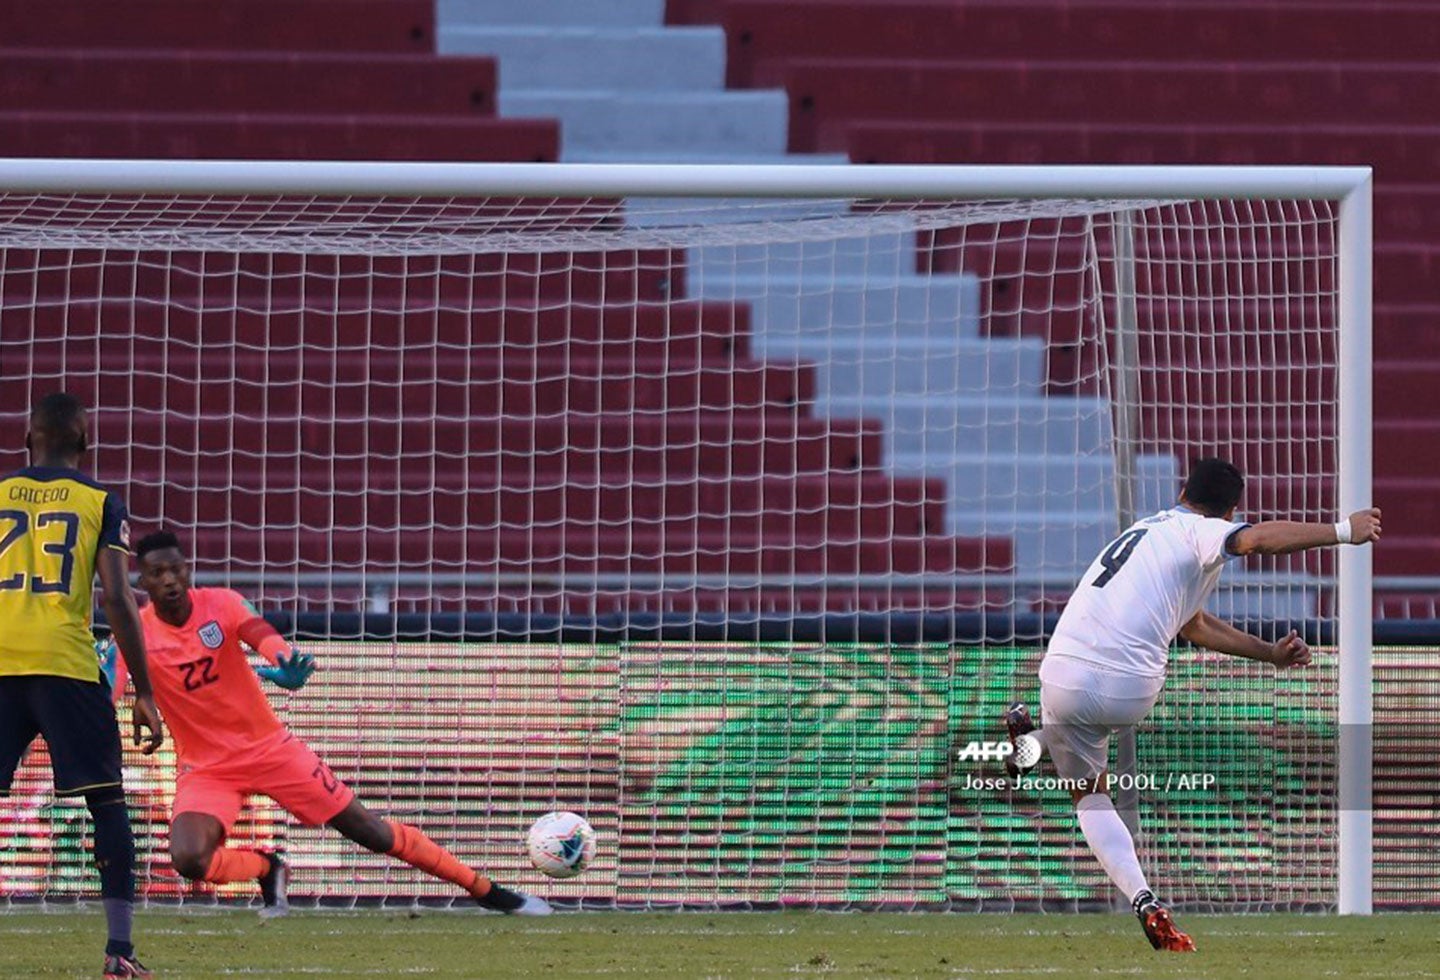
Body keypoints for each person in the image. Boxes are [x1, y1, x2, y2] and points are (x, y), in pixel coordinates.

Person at [1004, 458, 1381, 952]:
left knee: (1088, 794)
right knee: (1082, 745)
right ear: (1231, 512)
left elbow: (1195, 624)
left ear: (1183, 492)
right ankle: (1035, 756)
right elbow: (1254, 542)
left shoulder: (1145, 531)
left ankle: (1034, 753)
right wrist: (1342, 531)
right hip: (1129, 688)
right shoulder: (1203, 531)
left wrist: (1268, 653)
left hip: (1063, 670)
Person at [106, 529, 550, 918]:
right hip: (207, 768)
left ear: (188, 570)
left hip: (271, 750)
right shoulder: (133, 632)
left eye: (176, 569)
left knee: (370, 832)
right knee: (188, 858)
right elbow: (110, 687)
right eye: (157, 573)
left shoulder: (220, 603)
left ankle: (486, 890)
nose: (170, 580)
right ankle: (267, 867)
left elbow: (262, 634)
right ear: (142, 583)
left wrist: (284, 660)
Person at [0, 392, 164, 980]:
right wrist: (144, 690)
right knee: (107, 802)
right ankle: (119, 951)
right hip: (64, 664)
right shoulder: (99, 501)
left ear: (28, 440)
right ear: (85, 444)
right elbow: (117, 597)